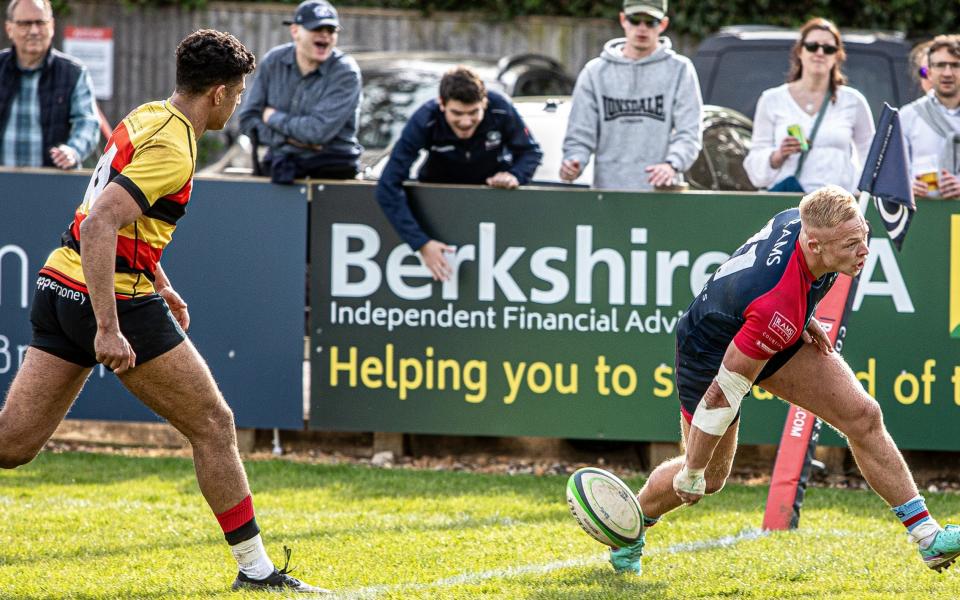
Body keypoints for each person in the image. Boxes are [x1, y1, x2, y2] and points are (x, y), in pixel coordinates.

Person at [0, 29, 328, 594]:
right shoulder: (175, 147)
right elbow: (103, 221)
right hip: (113, 300)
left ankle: (257, 571)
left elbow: (123, 222)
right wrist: (107, 326)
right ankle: (257, 572)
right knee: (214, 424)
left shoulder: (149, 114)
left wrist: (162, 282)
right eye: (241, 90)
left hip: (60, 282)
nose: (242, 101)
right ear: (221, 93)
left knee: (12, 446)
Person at [606, 185, 960, 576]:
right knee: (708, 478)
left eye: (863, 236)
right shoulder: (777, 304)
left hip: (764, 324)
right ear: (815, 245)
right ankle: (628, 526)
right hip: (710, 351)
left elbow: (776, 281)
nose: (864, 250)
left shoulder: (801, 221)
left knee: (862, 415)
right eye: (850, 244)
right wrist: (691, 471)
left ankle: (928, 537)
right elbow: (726, 388)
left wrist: (802, 317)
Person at [375, 66, 543, 281]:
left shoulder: (501, 108)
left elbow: (530, 152)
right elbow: (388, 184)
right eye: (457, 113)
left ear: (484, 103)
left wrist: (516, 176)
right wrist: (421, 243)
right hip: (438, 210)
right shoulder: (425, 119)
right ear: (442, 104)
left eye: (474, 112)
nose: (465, 122)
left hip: (491, 208)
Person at [559, 0, 702, 191]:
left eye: (650, 22)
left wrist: (671, 164)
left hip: (661, 195)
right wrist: (573, 162)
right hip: (608, 197)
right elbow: (580, 134)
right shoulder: (595, 72)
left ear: (663, 24)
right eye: (635, 20)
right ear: (623, 20)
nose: (642, 28)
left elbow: (689, 133)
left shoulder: (680, 70)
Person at [743, 18, 874, 194]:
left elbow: (870, 158)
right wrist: (778, 155)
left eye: (828, 49)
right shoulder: (772, 100)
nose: (819, 52)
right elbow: (755, 169)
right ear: (800, 51)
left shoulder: (853, 101)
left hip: (836, 207)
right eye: (812, 46)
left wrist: (856, 193)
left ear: (837, 55)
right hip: (788, 204)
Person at [238, 0, 361, 184]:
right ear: (295, 31)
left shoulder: (345, 71)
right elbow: (248, 119)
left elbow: (316, 132)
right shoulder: (274, 61)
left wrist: (272, 118)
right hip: (281, 168)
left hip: (334, 174)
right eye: (317, 29)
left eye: (331, 30)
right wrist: (291, 140)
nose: (325, 36)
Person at [1, 0, 99, 169]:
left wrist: (73, 150)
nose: (34, 30)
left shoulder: (74, 72)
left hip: (55, 184)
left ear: (51, 26)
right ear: (9, 29)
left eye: (40, 22)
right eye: (25, 23)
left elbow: (87, 122)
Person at [900, 34, 960, 200]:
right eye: (940, 65)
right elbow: (891, 173)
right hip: (924, 217)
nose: (947, 73)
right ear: (929, 71)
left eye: (955, 65)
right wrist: (907, 186)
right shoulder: (908, 116)